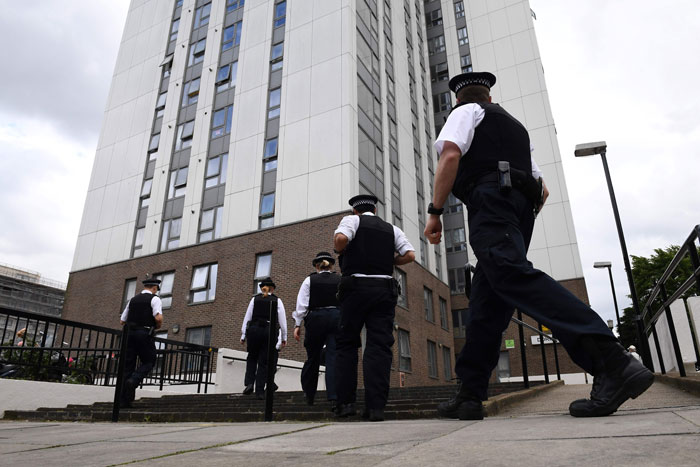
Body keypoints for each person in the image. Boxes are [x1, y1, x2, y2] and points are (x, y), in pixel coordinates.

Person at [423, 71, 653, 419]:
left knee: (511, 275)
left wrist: (435, 212)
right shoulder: (516, 128)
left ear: (460, 99)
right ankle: (469, 394)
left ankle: (613, 361)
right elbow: (542, 190)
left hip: (491, 202)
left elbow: (450, 156)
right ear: (489, 97)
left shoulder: (464, 113)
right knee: (488, 301)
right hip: (521, 209)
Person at [333, 194, 416, 421]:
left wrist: (342, 249)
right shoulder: (392, 229)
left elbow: (340, 239)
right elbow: (409, 255)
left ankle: (346, 404)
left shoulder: (352, 221)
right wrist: (390, 261)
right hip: (383, 289)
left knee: (347, 344)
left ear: (355, 211)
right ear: (375, 210)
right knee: (379, 345)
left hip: (355, 288)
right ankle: (376, 408)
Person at [293, 252, 342, 410]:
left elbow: (302, 305)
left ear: (316, 265)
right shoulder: (339, 279)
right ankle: (334, 397)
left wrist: (297, 324)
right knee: (333, 357)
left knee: (312, 357)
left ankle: (309, 394)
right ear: (332, 265)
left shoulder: (309, 280)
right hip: (336, 317)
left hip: (316, 318)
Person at [119, 277, 163, 407]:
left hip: (128, 335)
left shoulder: (132, 300)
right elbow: (158, 317)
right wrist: (158, 326)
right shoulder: (155, 299)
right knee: (150, 361)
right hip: (144, 334)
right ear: (154, 288)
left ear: (145, 287)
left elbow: (122, 320)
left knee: (127, 367)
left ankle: (124, 402)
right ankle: (134, 380)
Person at [240, 277, 287, 399]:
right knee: (264, 361)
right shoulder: (277, 300)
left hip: (254, 330)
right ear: (272, 288)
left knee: (251, 357)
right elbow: (282, 321)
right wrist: (284, 337)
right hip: (269, 330)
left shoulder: (254, 299)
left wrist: (243, 335)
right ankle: (260, 391)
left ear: (262, 288)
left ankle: (249, 383)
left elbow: (247, 317)